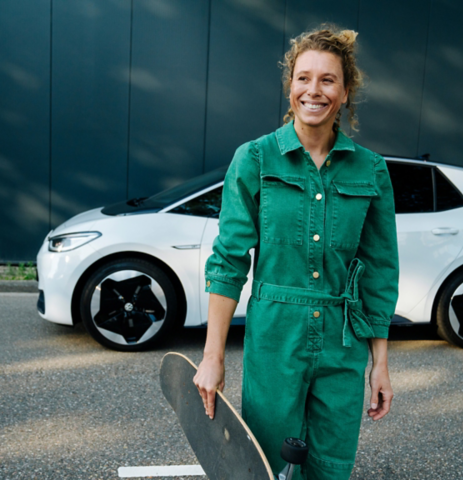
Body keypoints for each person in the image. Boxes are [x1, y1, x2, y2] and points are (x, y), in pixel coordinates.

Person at [193, 24, 399, 480]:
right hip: (274, 337)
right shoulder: (256, 159)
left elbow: (380, 271)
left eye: (328, 80)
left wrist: (380, 363)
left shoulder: (372, 170)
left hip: (343, 343)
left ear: (345, 93)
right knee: (265, 464)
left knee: (330, 467)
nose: (314, 90)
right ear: (290, 86)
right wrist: (213, 356)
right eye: (304, 78)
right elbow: (228, 261)